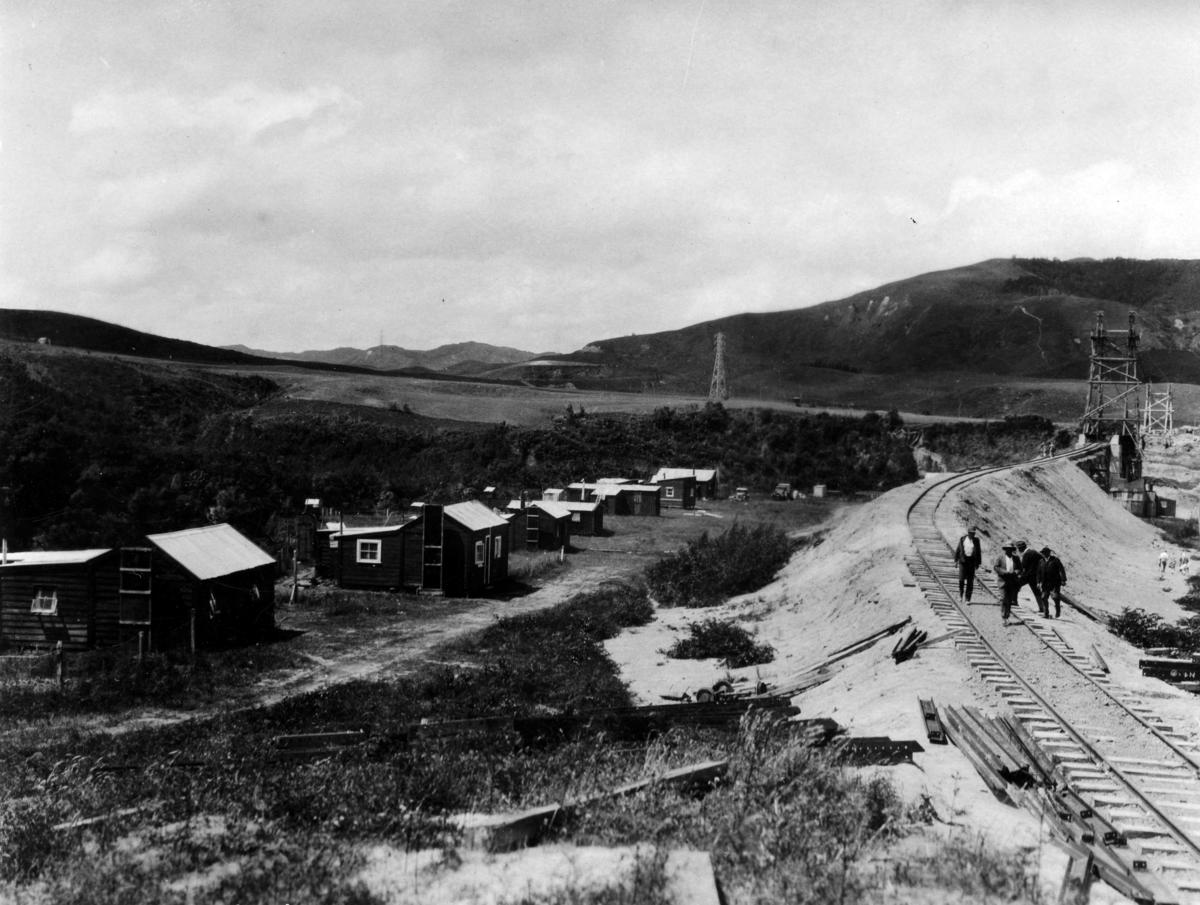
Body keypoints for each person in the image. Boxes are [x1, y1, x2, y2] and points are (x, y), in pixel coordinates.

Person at [1015, 540, 1047, 616]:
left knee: (1015, 585)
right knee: (1037, 592)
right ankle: (1042, 608)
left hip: (1028, 576)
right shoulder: (1035, 552)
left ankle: (1014, 602)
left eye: (1018, 549)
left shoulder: (1026, 554)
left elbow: (1023, 567)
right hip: (1036, 576)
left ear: (1020, 549)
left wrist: (1017, 575)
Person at [953, 525, 983, 603]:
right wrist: (956, 560)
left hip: (971, 562)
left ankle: (967, 598)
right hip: (963, 561)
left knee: (970, 581)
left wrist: (978, 563)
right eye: (971, 533)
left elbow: (978, 552)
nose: (973, 535)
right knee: (961, 579)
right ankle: (960, 595)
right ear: (968, 533)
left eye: (974, 533)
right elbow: (958, 550)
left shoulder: (976, 541)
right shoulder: (963, 539)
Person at [994, 542, 1021, 625]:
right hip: (1003, 581)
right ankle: (1003, 616)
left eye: (1011, 549)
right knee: (1003, 598)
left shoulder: (1016, 558)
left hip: (1012, 581)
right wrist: (1004, 572)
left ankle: (1007, 616)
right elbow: (996, 567)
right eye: (1007, 549)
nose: (1009, 551)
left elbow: (1020, 568)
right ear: (1005, 549)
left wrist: (1015, 572)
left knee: (1009, 600)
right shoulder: (1000, 557)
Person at [1037, 546, 1067, 618]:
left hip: (1055, 583)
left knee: (1055, 597)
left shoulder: (1055, 560)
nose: (1043, 554)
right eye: (1043, 553)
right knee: (1044, 597)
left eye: (1045, 553)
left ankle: (1058, 610)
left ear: (1048, 553)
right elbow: (1038, 572)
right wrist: (1038, 582)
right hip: (1045, 583)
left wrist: (1063, 580)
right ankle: (1046, 613)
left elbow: (1061, 570)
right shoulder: (1041, 561)